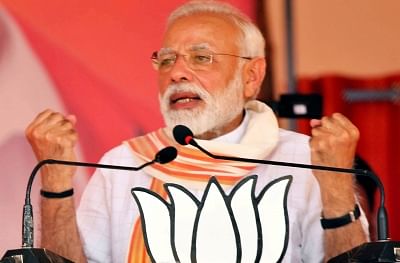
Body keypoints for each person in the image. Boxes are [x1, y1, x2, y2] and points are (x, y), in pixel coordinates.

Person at [25, 0, 369, 262]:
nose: (176, 73)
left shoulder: (304, 159)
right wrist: (56, 185)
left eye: (201, 58)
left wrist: (337, 185)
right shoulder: (125, 164)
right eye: (166, 59)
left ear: (251, 76)